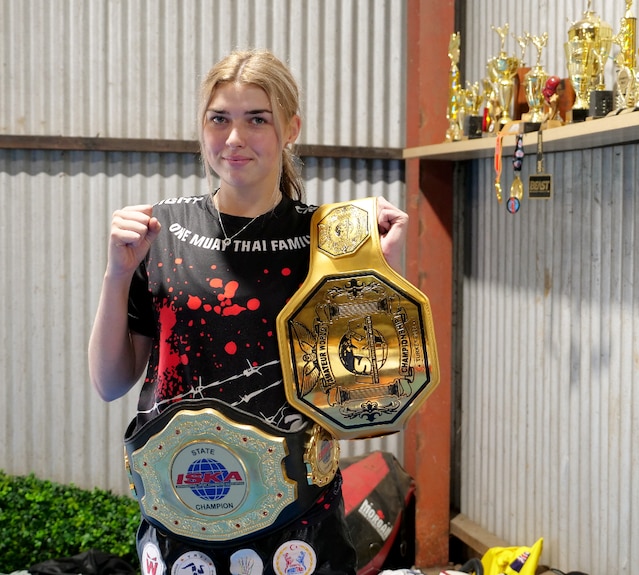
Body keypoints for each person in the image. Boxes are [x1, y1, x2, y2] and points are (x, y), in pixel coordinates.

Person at [88, 49, 408, 575]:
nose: (235, 138)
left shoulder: (331, 239)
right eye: (220, 119)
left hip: (298, 528)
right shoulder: (159, 231)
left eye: (256, 119)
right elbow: (109, 382)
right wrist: (117, 275)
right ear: (203, 126)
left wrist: (374, 278)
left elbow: (366, 398)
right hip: (179, 526)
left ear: (290, 128)